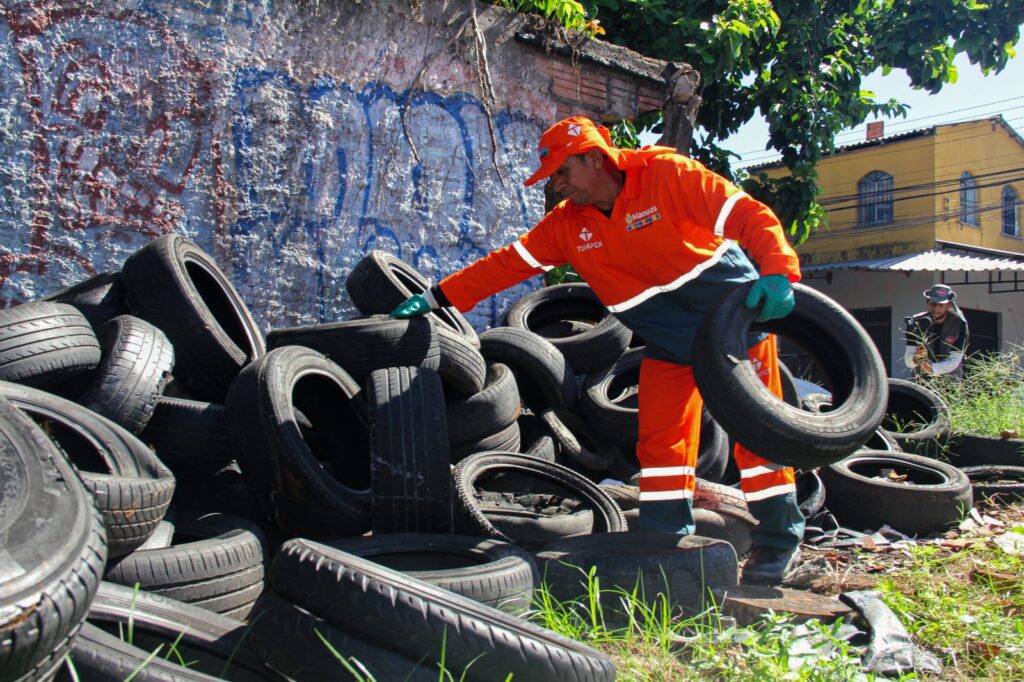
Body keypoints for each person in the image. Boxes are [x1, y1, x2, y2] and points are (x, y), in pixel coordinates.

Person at [390, 116, 804, 584]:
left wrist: (777, 269)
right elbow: (506, 264)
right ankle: (667, 549)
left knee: (760, 436)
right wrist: (435, 297)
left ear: (594, 156)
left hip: (734, 331)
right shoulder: (567, 226)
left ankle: (776, 542)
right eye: (553, 180)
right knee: (662, 446)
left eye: (564, 173)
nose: (559, 186)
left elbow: (748, 215)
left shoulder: (668, 177)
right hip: (670, 344)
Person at [904, 284, 969, 380]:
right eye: (933, 304)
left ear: (949, 305)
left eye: (941, 305)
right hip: (922, 382)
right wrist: (915, 358)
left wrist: (931, 368)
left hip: (950, 383)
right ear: (927, 303)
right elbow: (908, 361)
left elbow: (955, 360)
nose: (936, 308)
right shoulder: (914, 322)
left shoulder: (960, 324)